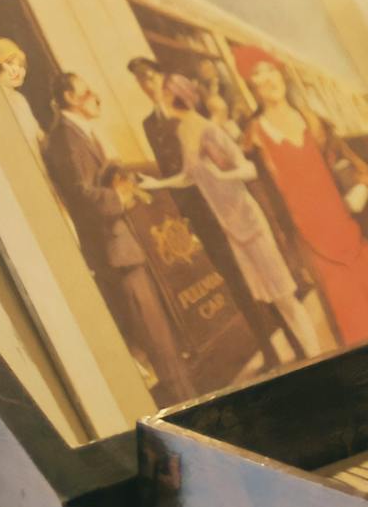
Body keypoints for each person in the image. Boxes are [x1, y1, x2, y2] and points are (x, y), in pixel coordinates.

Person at [142, 74, 325, 360]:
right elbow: (189, 177)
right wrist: (157, 184)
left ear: (173, 98)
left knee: (284, 297)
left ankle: (316, 355)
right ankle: (310, 356)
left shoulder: (208, 130)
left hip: (248, 221)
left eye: (163, 96)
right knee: (271, 298)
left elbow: (247, 169)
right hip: (231, 227)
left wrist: (223, 174)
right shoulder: (183, 132)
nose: (159, 101)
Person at [40, 70, 192, 404]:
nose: (96, 96)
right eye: (88, 91)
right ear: (69, 98)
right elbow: (81, 194)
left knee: (160, 337)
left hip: (123, 246)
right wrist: (120, 197)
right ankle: (186, 406)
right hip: (114, 251)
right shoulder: (66, 138)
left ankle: (185, 398)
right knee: (156, 339)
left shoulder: (80, 133)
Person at [244, 58, 368, 346]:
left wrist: (362, 186)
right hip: (310, 237)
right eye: (257, 74)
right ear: (251, 86)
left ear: (282, 76)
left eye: (271, 70)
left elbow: (349, 161)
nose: (267, 79)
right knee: (349, 315)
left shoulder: (312, 120)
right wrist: (286, 248)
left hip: (349, 223)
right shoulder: (253, 138)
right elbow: (262, 198)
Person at [128, 57, 279, 359]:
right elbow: (174, 170)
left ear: (162, 76)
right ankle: (268, 347)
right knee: (233, 276)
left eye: (150, 77)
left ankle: (287, 331)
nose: (148, 85)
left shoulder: (187, 110)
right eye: (141, 81)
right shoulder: (149, 124)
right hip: (197, 210)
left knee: (255, 266)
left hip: (224, 201)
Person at [0, 37, 45, 155]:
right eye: (9, 63)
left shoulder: (19, 99)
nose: (16, 70)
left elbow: (39, 136)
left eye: (20, 64)